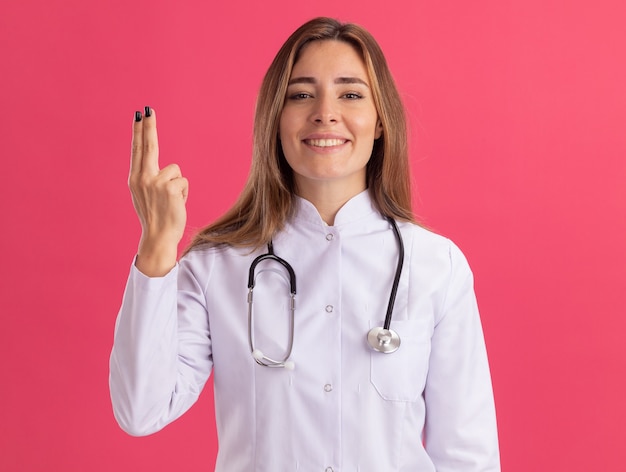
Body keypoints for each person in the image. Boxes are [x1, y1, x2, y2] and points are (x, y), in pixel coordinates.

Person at [110, 17, 500, 471]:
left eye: (350, 94)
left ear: (379, 122)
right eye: (301, 94)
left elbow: (466, 454)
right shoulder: (218, 265)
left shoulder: (437, 266)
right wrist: (158, 245)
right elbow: (140, 410)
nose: (325, 113)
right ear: (275, 120)